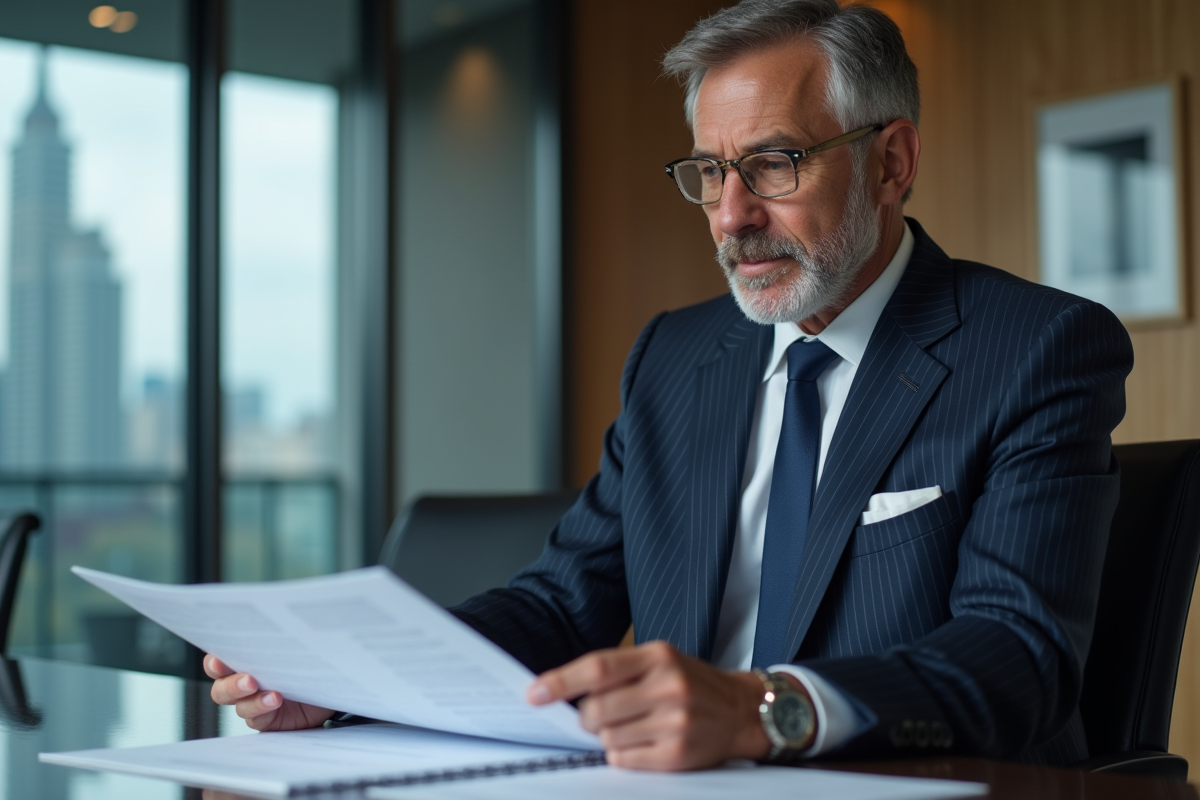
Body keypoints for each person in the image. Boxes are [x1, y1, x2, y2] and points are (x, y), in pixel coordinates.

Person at [207, 0, 1133, 771]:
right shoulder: (676, 358)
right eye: (708, 172)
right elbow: (563, 603)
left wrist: (762, 709)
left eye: (774, 163)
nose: (731, 215)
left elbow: (1019, 657)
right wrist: (342, 683)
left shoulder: (1036, 348)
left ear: (891, 162)